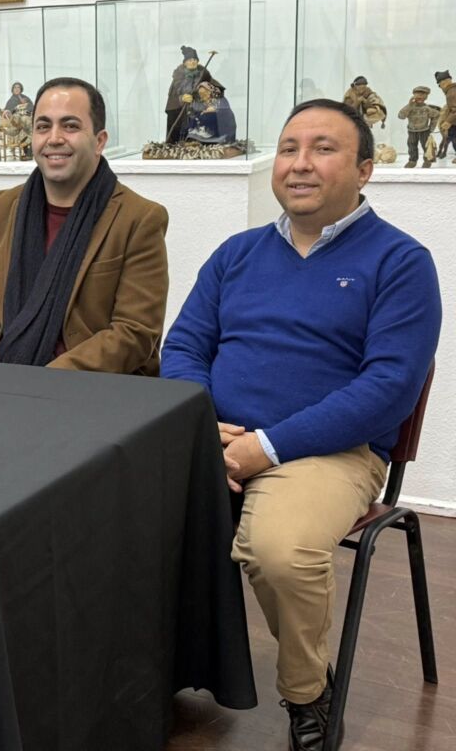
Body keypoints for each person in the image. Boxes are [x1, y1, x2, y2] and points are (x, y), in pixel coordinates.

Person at [161, 98, 441, 751]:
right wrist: (206, 429)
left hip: (331, 452)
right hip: (219, 439)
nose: (300, 163)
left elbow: (387, 391)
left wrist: (268, 446)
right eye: (289, 149)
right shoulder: (236, 254)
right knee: (104, 510)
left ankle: (309, 693)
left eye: (323, 148)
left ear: (365, 169)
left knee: (279, 550)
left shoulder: (401, 263)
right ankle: (157, 667)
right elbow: (184, 348)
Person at [0, 77, 168, 373]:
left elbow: (134, 333)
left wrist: (43, 383)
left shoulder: (139, 219)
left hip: (86, 389)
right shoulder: (2, 208)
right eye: (43, 126)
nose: (54, 138)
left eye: (70, 126)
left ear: (100, 141)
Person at [166, 45, 224, 141]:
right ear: (185, 63)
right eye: (189, 60)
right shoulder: (178, 77)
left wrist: (213, 104)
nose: (192, 62)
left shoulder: (204, 75)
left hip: (201, 108)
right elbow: (172, 98)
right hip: (184, 111)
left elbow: (217, 89)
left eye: (194, 59)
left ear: (197, 61)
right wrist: (181, 98)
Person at [397, 86, 440, 168]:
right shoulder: (410, 107)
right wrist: (409, 105)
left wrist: (431, 128)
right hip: (412, 131)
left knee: (426, 146)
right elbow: (401, 116)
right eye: (418, 94)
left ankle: (427, 160)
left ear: (426, 97)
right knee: (412, 146)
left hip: (424, 130)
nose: (420, 97)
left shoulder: (427, 109)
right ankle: (412, 161)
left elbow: (436, 115)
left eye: (422, 95)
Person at [435, 69, 456, 161]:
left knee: (453, 139)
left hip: (454, 123)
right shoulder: (451, 90)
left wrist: (448, 121)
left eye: (440, 84)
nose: (440, 86)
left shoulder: (451, 92)